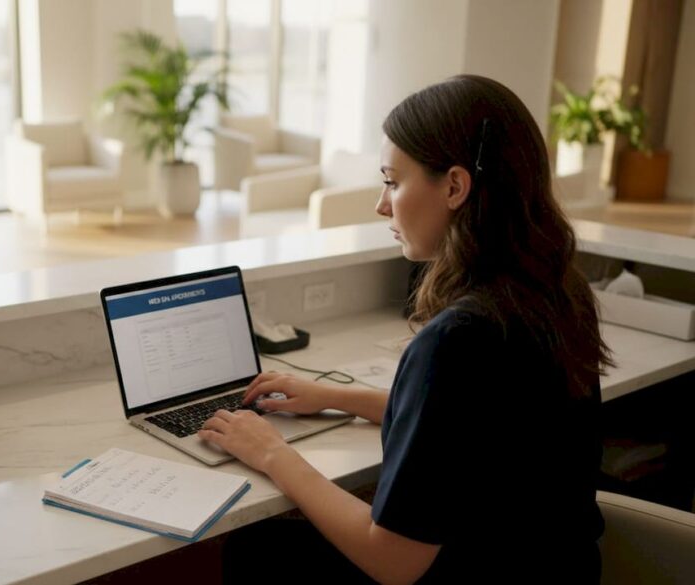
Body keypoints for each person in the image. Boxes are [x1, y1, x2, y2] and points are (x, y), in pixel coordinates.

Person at [199, 74, 612, 584]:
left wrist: (270, 452)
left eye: (393, 181)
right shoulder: (559, 294)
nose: (381, 204)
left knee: (257, 547)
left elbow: (393, 561)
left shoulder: (457, 338)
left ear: (456, 186)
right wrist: (333, 396)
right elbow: (463, 427)